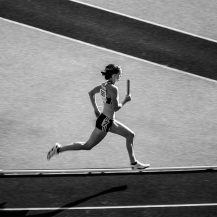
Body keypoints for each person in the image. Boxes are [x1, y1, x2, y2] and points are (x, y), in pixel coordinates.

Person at [47, 64, 150, 170]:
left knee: (87, 146)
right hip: (107, 121)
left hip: (104, 119)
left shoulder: (103, 86)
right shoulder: (114, 89)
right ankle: (133, 163)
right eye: (119, 75)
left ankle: (58, 149)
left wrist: (96, 109)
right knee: (130, 135)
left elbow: (91, 93)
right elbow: (115, 108)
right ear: (114, 75)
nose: (120, 77)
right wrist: (125, 100)